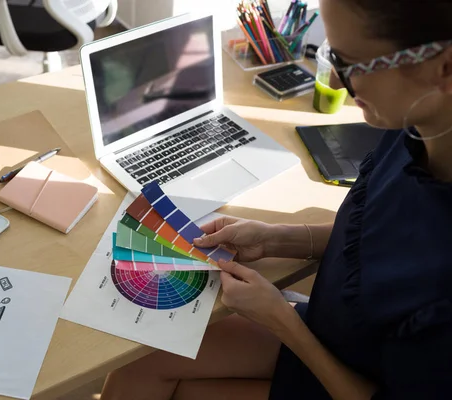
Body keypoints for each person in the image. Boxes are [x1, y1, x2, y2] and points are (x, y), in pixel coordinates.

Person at [100, 0, 452, 398]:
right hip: (333, 333)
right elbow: (376, 233)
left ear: (444, 68)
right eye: (331, 56)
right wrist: (277, 237)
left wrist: (281, 321)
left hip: (348, 379)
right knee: (139, 363)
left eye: (352, 65)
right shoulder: (416, 126)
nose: (334, 82)